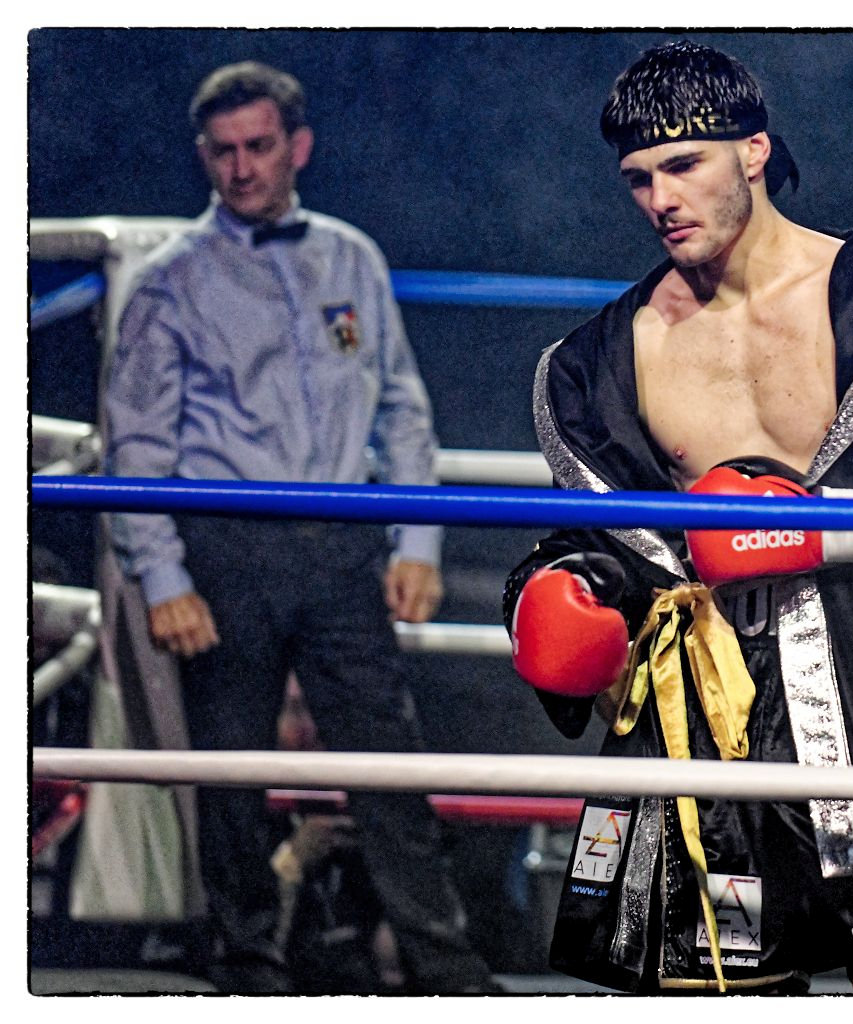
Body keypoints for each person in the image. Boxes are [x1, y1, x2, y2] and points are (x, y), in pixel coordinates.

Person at [501, 41, 853, 994]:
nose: (661, 200)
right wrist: (555, 592)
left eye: (684, 165)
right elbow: (606, 540)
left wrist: (809, 527)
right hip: (703, 714)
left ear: (753, 151)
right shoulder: (603, 360)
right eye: (638, 179)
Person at [103, 61, 492, 993]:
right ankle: (247, 968)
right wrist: (163, 578)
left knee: (387, 765)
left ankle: (445, 970)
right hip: (227, 549)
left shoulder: (353, 258)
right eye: (223, 151)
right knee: (232, 775)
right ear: (204, 156)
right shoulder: (169, 281)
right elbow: (135, 445)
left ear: (298, 146)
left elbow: (402, 410)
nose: (241, 168)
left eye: (258, 146)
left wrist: (418, 541)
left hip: (344, 542)